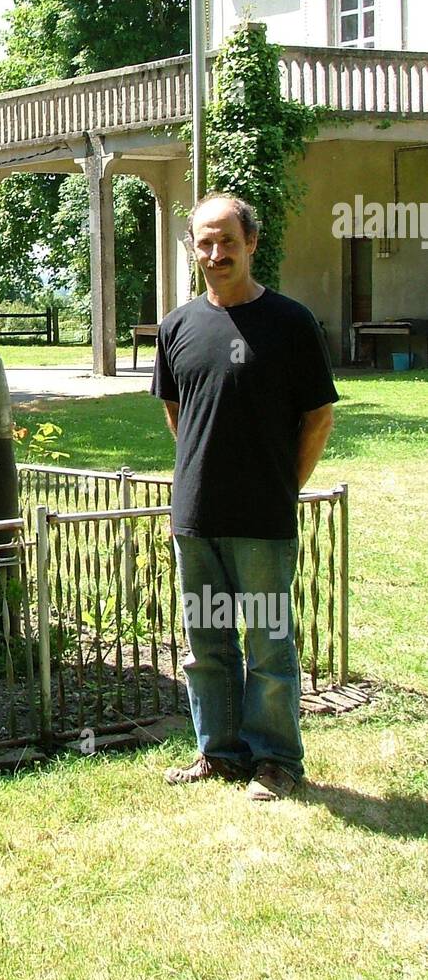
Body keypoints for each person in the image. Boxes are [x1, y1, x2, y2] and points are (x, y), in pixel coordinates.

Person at [151, 192, 339, 801]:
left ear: (251, 243)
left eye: (227, 240)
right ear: (192, 249)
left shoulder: (290, 323)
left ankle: (278, 760)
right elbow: (179, 414)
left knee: (267, 643)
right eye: (204, 242)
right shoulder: (178, 327)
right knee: (206, 645)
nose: (215, 253)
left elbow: (318, 418)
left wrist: (286, 485)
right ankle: (220, 753)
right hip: (197, 516)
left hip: (263, 515)